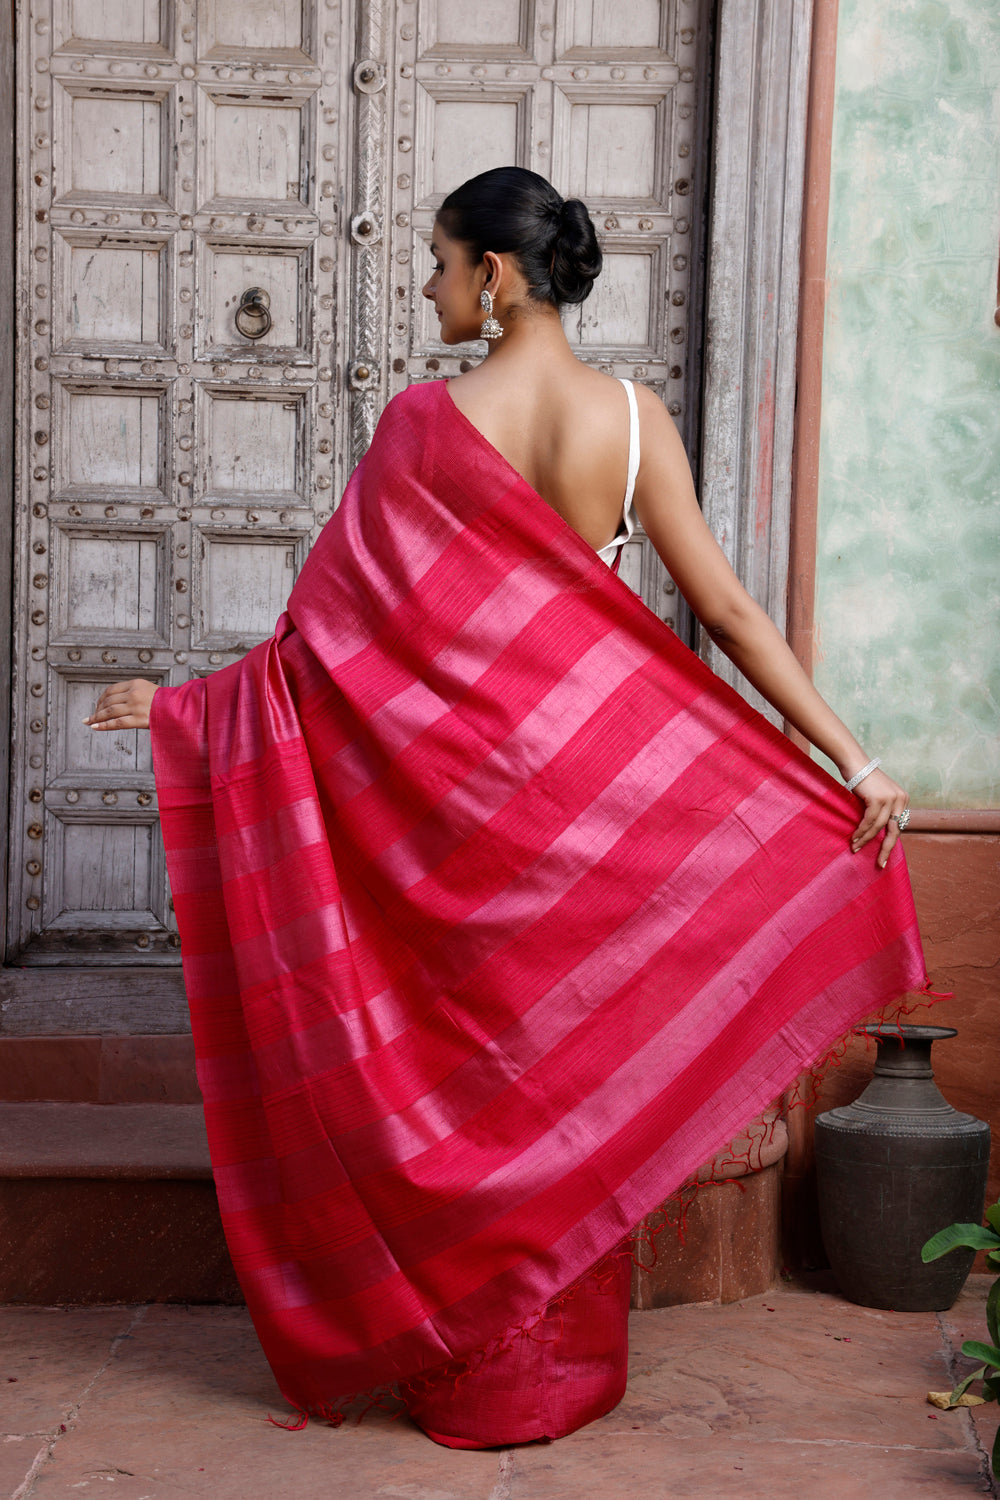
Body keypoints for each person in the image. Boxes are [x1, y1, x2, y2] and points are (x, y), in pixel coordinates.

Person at [86, 167, 925, 1447]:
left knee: (463, 1080)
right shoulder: (633, 422)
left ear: (496, 275)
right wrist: (852, 768)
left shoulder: (426, 426)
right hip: (588, 818)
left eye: (437, 262)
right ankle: (557, 1368)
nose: (427, 286)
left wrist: (183, 710)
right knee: (566, 1083)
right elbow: (731, 614)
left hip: (453, 822)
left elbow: (324, 656)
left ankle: (461, 1362)